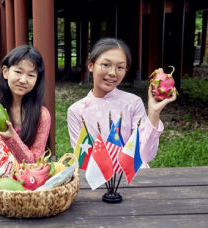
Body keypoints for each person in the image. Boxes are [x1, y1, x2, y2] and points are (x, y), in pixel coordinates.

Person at [67, 38, 176, 168]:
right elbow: (83, 160)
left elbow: (146, 155)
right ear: (91, 65)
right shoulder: (76, 111)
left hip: (133, 179)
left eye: (120, 67)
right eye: (106, 65)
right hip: (98, 182)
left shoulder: (133, 103)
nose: (113, 73)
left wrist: (154, 113)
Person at [0, 45, 51, 163]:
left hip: (30, 178)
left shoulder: (42, 115)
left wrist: (12, 138)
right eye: (18, 72)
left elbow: (34, 162)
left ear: (37, 79)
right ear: (5, 72)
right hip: (0, 176)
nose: (23, 80)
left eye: (31, 75)